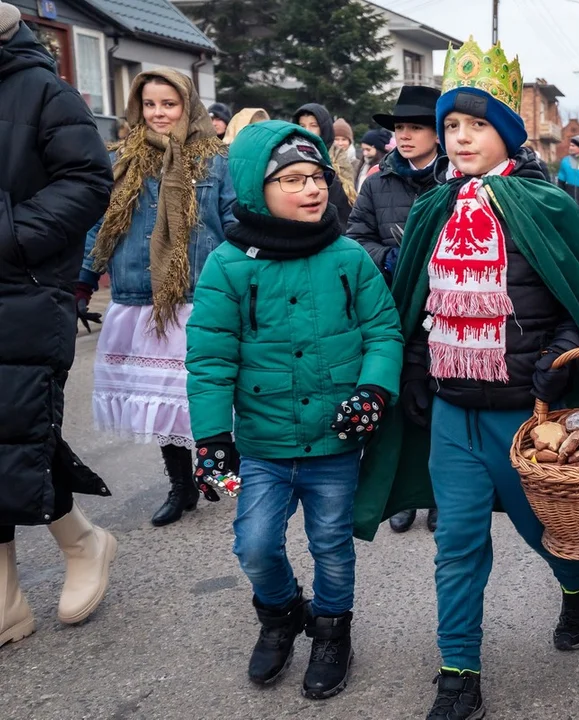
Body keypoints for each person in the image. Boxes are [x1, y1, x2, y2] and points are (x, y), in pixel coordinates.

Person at [351, 37, 579, 720]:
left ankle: (578, 587)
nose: (460, 137)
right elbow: (412, 304)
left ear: (505, 133)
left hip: (526, 411)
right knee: (459, 544)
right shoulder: (430, 211)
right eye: (451, 126)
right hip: (450, 411)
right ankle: (457, 675)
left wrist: (549, 367)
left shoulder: (549, 206)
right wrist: (415, 370)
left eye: (475, 124)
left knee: (546, 533)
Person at [186, 120, 403, 699]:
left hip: (335, 440)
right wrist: (211, 438)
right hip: (262, 442)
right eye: (292, 179)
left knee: (331, 542)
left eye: (317, 178)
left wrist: (374, 391)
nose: (311, 190)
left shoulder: (349, 257)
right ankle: (281, 614)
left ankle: (333, 631)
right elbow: (210, 359)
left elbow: (384, 332)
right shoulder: (228, 266)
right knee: (254, 544)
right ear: (258, 189)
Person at [0, 5, 116, 647]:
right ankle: (12, 592)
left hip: (20, 287)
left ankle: (82, 542)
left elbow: (86, 178)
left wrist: (10, 236)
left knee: (16, 422)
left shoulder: (44, 88)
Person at [77, 69, 237, 528]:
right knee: (165, 400)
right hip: (139, 295)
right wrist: (83, 281)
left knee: (205, 392)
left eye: (169, 104)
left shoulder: (214, 161)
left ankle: (218, 473)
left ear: (187, 105)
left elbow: (230, 222)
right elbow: (100, 224)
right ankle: (181, 486)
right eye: (150, 104)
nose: (159, 113)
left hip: (200, 295)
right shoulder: (123, 160)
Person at [346, 84, 444, 534]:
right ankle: (404, 493)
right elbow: (355, 237)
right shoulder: (377, 181)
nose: (405, 135)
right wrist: (389, 258)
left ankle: (440, 493)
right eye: (400, 127)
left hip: (448, 309)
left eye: (416, 127)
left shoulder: (456, 179)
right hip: (394, 309)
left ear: (437, 132)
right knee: (402, 401)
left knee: (443, 403)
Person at [292, 103, 353, 232]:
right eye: (302, 126)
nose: (307, 130)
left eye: (313, 125)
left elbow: (345, 204)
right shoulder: (289, 157)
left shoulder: (337, 160)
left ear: (324, 128)